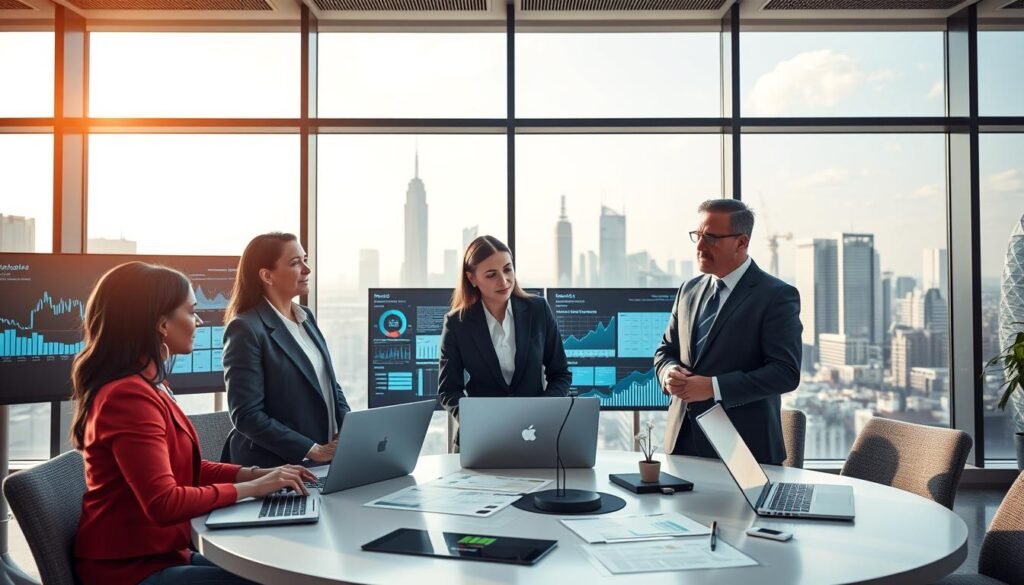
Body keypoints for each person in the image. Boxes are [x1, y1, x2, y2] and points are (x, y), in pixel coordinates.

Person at [72, 262, 317, 585]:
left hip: (164, 553)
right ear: (161, 324)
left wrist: (261, 474)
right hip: (129, 570)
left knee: (285, 570)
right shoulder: (128, 397)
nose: (199, 321)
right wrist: (252, 489)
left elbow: (188, 469)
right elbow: (164, 502)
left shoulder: (152, 385)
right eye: (191, 311)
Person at [655, 199, 801, 465]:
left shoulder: (776, 296)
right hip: (681, 445)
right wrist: (668, 374)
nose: (700, 246)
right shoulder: (688, 290)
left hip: (743, 451)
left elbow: (785, 373)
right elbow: (665, 351)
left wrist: (713, 387)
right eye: (698, 236)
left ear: (741, 242)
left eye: (710, 238)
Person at [222, 233, 351, 468]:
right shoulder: (246, 328)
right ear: (267, 275)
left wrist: (348, 430)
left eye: (305, 259)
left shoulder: (306, 317)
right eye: (295, 263)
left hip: (321, 463)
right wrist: (312, 450)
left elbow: (329, 384)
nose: (307, 269)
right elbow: (247, 415)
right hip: (272, 467)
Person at [438, 235, 572, 442]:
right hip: (481, 434)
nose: (504, 281)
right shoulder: (457, 323)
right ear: (472, 278)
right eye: (491, 275)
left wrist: (542, 411)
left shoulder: (538, 310)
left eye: (508, 269)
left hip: (534, 431)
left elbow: (561, 374)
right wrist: (477, 420)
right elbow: (449, 390)